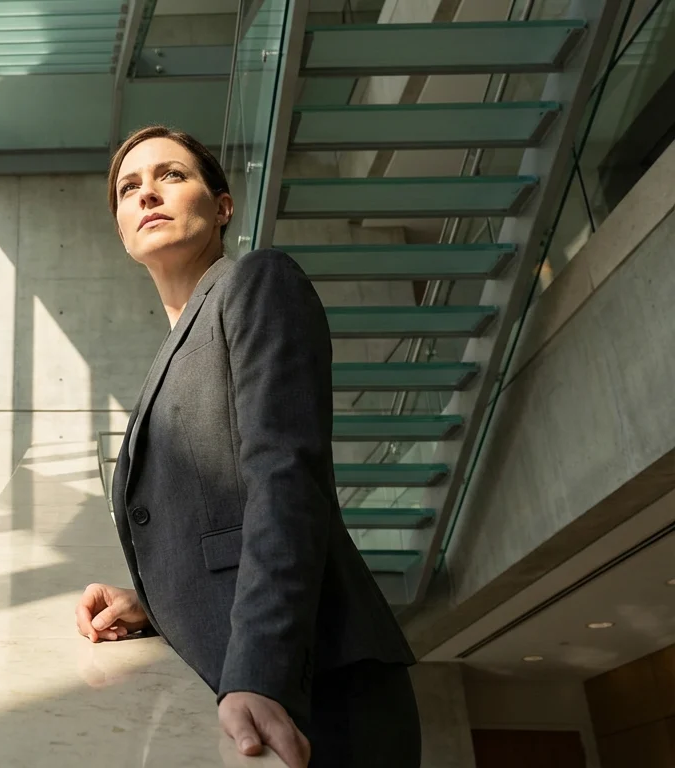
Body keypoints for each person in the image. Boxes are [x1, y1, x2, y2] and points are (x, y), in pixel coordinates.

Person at [74, 125, 422, 768]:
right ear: (122, 230)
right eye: (129, 188)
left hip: (313, 690)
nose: (147, 193)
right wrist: (151, 602)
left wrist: (261, 671)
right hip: (252, 688)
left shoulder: (257, 282)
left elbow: (287, 478)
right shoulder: (172, 353)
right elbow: (215, 528)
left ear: (223, 205)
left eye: (171, 176)